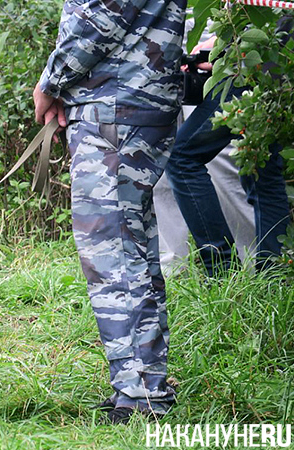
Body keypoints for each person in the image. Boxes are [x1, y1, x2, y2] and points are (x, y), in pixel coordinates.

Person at [33, 0, 186, 423]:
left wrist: (52, 82)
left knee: (113, 249)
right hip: (130, 94)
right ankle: (143, 383)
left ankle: (141, 393)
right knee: (130, 244)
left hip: (117, 101)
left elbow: (100, 14)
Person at [164, 36, 291, 276]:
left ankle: (223, 273)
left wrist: (225, 45)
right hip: (280, 61)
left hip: (253, 62)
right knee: (261, 167)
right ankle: (274, 278)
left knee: (182, 158)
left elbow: (251, 14)